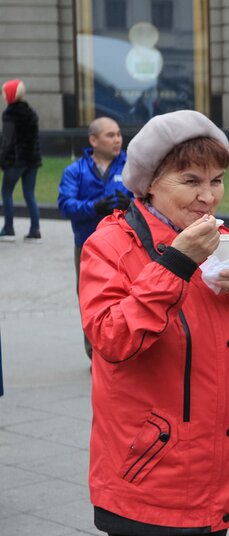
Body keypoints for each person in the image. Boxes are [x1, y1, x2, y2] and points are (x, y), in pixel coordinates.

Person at [79, 110, 229, 536]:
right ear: (149, 183)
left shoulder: (224, 241)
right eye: (191, 180)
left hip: (216, 481)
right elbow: (112, 339)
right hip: (147, 483)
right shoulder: (110, 245)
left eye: (216, 180)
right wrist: (175, 265)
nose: (208, 196)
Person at [58, 117, 132, 361]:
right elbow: (65, 204)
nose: (117, 139)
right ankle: (96, 355)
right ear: (93, 140)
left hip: (126, 245)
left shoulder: (131, 166)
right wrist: (94, 207)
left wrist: (132, 204)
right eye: (110, 135)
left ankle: (128, 348)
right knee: (91, 298)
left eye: (119, 134)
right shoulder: (75, 171)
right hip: (87, 246)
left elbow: (151, 199)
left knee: (128, 296)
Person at [0, 79, 41, 242]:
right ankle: (35, 230)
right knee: (29, 194)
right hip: (32, 159)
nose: (3, 96)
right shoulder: (31, 112)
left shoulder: (9, 114)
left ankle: (8, 228)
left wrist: (1, 161)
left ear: (10, 94)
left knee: (6, 192)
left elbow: (6, 141)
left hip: (16, 161)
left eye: (4, 92)